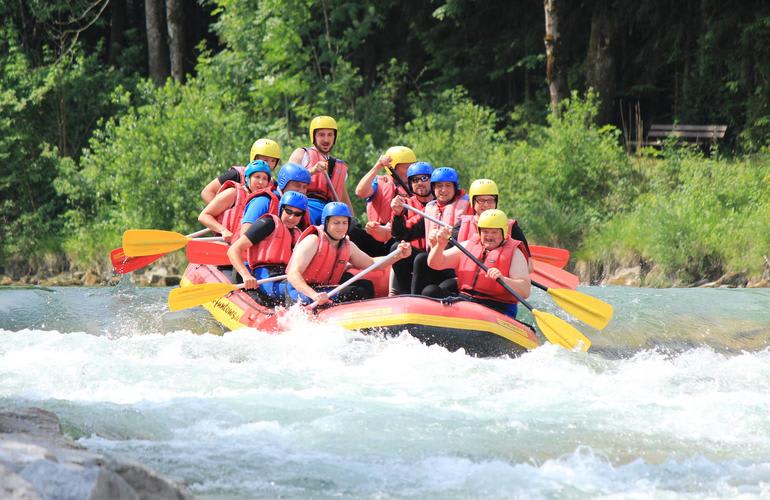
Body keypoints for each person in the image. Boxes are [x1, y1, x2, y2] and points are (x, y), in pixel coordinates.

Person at [285, 202, 411, 306]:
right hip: (300, 292)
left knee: (365, 286)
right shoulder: (313, 241)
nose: (341, 227)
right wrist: (313, 295)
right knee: (356, 291)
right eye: (336, 223)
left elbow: (372, 263)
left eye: (344, 223)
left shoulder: (347, 245)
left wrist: (397, 255)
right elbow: (292, 274)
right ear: (326, 223)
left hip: (322, 290)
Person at [426, 209, 531, 319]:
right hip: (466, 300)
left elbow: (525, 291)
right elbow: (435, 264)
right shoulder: (469, 245)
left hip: (497, 306)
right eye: (485, 231)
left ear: (504, 232)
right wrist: (440, 246)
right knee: (430, 291)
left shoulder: (515, 254)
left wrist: (503, 279)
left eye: (494, 232)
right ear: (480, 231)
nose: (489, 236)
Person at [227, 191, 309, 307]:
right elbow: (233, 250)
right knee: (295, 290)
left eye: (297, 214)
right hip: (264, 277)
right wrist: (246, 275)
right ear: (281, 209)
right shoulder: (268, 224)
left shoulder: (297, 233)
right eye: (288, 211)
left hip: (283, 276)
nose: (292, 217)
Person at [407, 166, 472, 295]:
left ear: (455, 188)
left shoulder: (467, 206)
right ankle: (413, 299)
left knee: (432, 287)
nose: (443, 190)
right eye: (439, 186)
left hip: (456, 266)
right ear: (433, 189)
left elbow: (466, 232)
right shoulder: (430, 208)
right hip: (436, 262)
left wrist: (443, 239)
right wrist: (397, 216)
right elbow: (406, 231)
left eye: (448, 185)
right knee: (420, 258)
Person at [454, 178, 533, 273]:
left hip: (498, 281)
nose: (486, 205)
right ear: (472, 201)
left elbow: (529, 267)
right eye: (481, 200)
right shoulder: (461, 225)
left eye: (491, 200)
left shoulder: (511, 227)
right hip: (466, 278)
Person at [287, 116, 355, 224]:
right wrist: (313, 170)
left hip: (330, 211)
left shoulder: (340, 166)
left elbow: (344, 199)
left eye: (330, 135)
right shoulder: (301, 154)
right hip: (303, 205)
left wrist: (353, 221)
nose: (326, 140)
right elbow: (286, 181)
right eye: (321, 135)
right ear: (313, 136)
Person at [353, 145, 416, 247]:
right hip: (376, 232)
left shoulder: (417, 187)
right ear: (393, 167)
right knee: (352, 231)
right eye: (406, 167)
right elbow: (360, 192)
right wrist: (378, 166)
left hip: (398, 235)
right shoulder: (379, 182)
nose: (410, 171)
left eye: (412, 167)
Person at [388, 162, 436, 294]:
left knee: (421, 260)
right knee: (396, 248)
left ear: (432, 181)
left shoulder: (441, 204)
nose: (420, 183)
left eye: (424, 178)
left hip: (437, 256)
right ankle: (403, 293)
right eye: (415, 180)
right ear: (410, 184)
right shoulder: (405, 204)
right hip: (414, 255)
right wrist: (397, 214)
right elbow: (398, 235)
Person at [197, 159, 274, 242]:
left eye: (265, 178)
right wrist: (223, 230)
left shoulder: (263, 202)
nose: (261, 182)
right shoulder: (233, 193)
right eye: (257, 177)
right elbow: (204, 216)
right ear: (248, 178)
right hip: (223, 244)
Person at [201, 138, 281, 204]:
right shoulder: (236, 174)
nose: (269, 164)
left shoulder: (273, 185)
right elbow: (207, 192)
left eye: (273, 161)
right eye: (265, 160)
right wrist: (221, 217)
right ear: (255, 158)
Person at [240, 162, 311, 235]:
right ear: (283, 183)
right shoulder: (264, 200)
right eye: (297, 185)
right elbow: (244, 232)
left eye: (304, 187)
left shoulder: (301, 208)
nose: (301, 191)